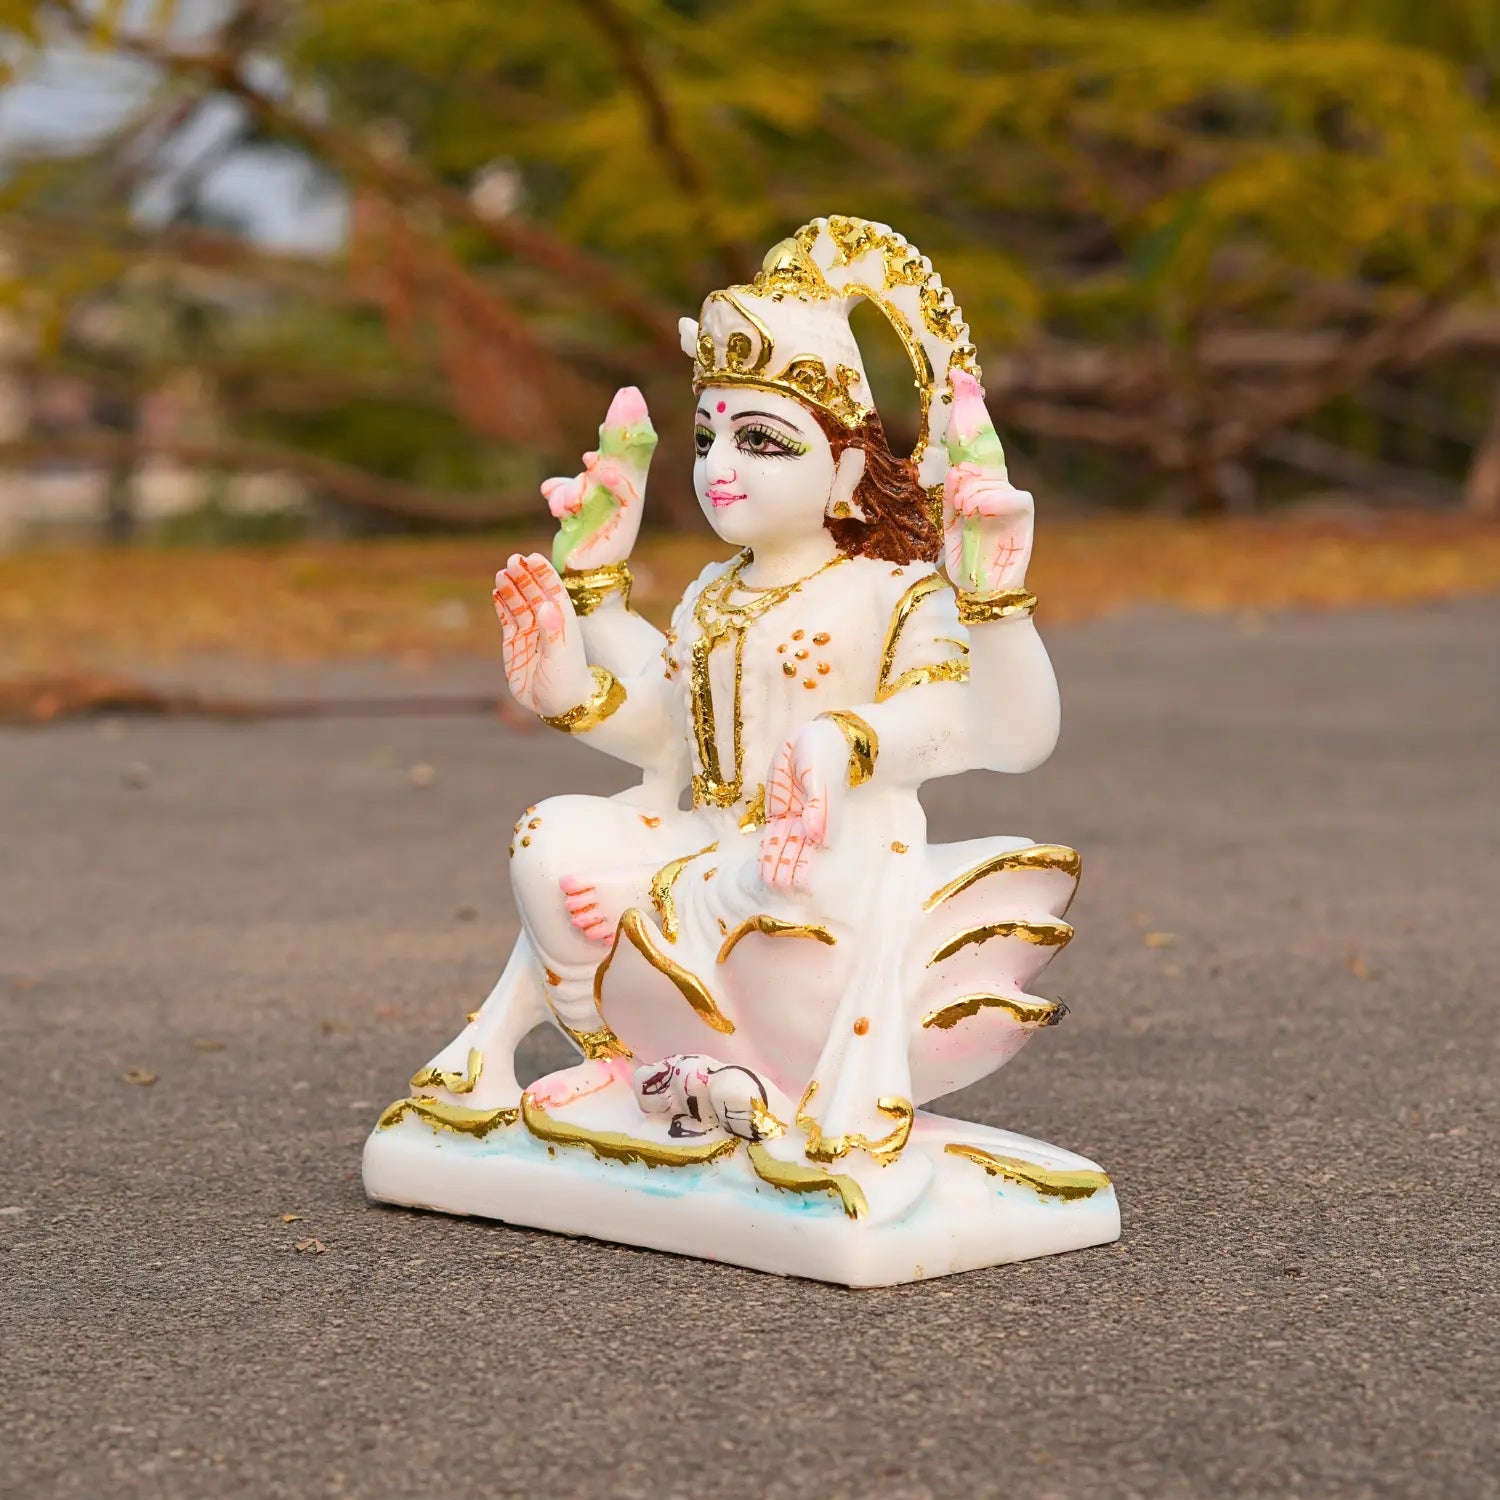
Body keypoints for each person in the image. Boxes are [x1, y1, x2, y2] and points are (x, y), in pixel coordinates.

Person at [413, 217, 1080, 1212]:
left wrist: (859, 726)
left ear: (848, 471)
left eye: (761, 440)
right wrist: (570, 653)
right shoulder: (715, 594)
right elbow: (663, 728)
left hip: (820, 869)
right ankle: (630, 1061)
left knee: (749, 894)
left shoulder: (890, 592)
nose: (720, 463)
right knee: (551, 837)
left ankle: (731, 1074)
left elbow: (1002, 731)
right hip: (707, 847)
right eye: (709, 436)